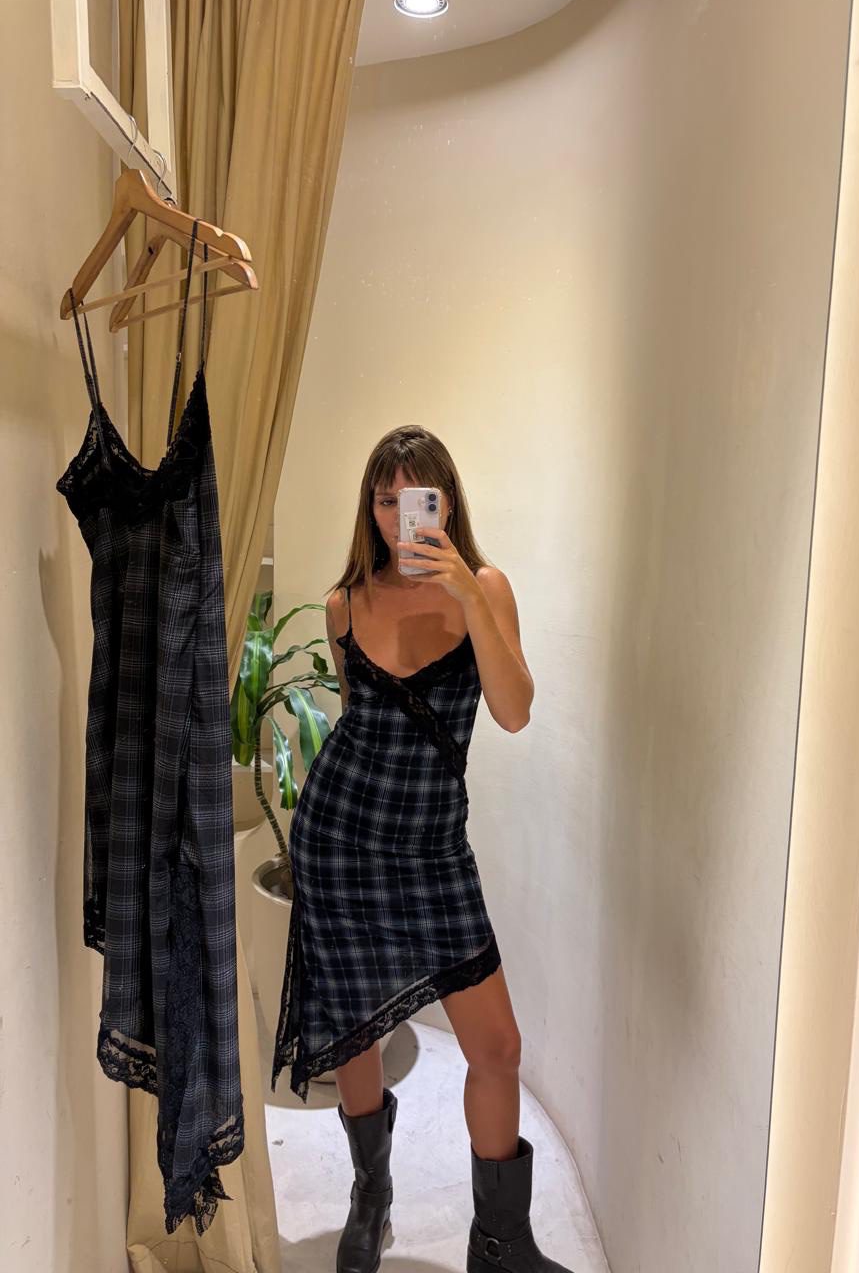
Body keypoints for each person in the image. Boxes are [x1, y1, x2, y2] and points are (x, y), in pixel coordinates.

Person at [272, 425, 573, 1273]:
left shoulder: (485, 586)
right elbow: (355, 717)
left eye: (417, 496)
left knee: (497, 1046)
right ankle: (371, 1196)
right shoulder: (344, 604)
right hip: (341, 844)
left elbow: (513, 710)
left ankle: (500, 1243)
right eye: (384, 497)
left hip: (434, 853)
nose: (399, 513)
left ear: (446, 502)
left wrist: (467, 596)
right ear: (369, 508)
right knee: (356, 1031)